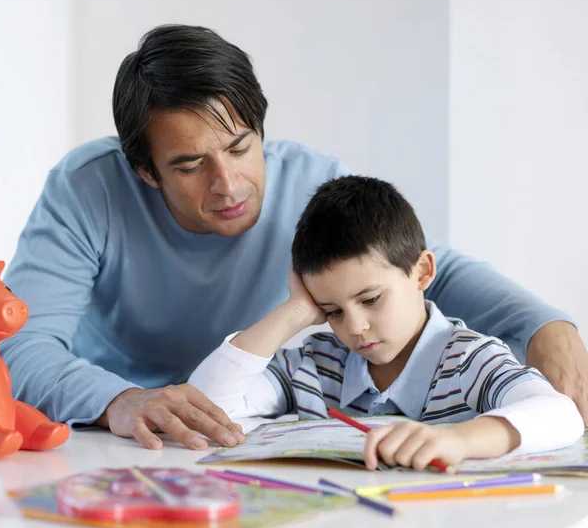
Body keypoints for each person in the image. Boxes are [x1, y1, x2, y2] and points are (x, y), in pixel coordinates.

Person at [0, 24, 588, 453]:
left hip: (250, 423)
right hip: (124, 437)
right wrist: (120, 402)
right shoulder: (85, 189)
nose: (228, 185)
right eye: (188, 166)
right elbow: (21, 345)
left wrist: (547, 326)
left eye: (240, 147)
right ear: (146, 171)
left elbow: (424, 268)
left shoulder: (311, 182)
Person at [189, 176, 584, 469]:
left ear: (422, 272)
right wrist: (294, 312)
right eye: (332, 310)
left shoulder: (468, 359)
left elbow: (559, 414)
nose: (355, 327)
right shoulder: (316, 364)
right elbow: (208, 408)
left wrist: (457, 440)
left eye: (371, 299)